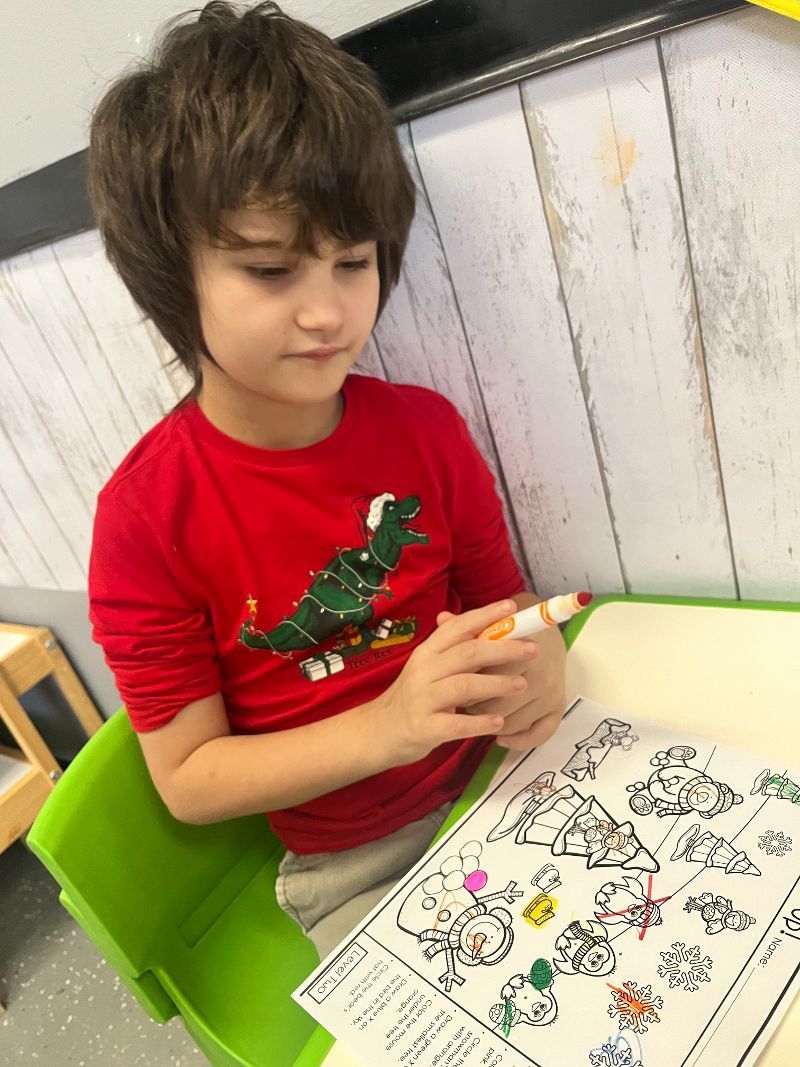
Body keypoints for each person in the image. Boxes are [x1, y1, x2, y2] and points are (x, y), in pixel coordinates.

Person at [87, 1, 567, 960]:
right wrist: (389, 725)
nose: (328, 312)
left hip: (501, 778)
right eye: (270, 270)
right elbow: (189, 777)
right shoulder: (146, 519)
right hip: (360, 859)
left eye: (353, 262)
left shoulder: (425, 430)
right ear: (167, 278)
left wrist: (538, 661)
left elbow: (505, 609)